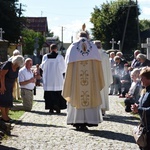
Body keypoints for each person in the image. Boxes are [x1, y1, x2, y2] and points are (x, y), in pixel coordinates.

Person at [62, 25, 105, 131]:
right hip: (91, 81)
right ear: (88, 36)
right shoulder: (93, 47)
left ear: (78, 36)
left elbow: (67, 65)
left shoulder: (72, 47)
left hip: (76, 82)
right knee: (90, 95)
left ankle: (77, 121)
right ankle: (90, 120)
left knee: (76, 96)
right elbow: (99, 67)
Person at [41, 44, 66, 114]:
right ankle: (57, 106)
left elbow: (42, 67)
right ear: (56, 49)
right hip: (57, 79)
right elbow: (63, 69)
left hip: (48, 80)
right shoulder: (60, 57)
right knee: (57, 94)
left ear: (50, 49)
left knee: (49, 94)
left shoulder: (45, 57)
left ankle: (50, 108)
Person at [0, 55, 24, 122]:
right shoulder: (8, 64)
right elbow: (1, 75)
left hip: (10, 85)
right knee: (3, 100)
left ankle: (6, 116)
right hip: (3, 84)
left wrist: (13, 87)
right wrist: (2, 86)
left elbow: (14, 78)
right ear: (16, 62)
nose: (18, 66)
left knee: (8, 100)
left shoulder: (17, 68)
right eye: (17, 64)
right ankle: (4, 116)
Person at [131, 67, 150, 149]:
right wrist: (136, 106)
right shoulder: (145, 90)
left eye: (143, 78)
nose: (141, 80)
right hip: (145, 127)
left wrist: (138, 109)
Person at [94, 40, 113, 115]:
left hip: (95, 77)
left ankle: (96, 108)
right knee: (103, 92)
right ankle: (103, 109)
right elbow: (108, 68)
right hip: (104, 77)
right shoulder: (105, 55)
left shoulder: (92, 55)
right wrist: (109, 78)